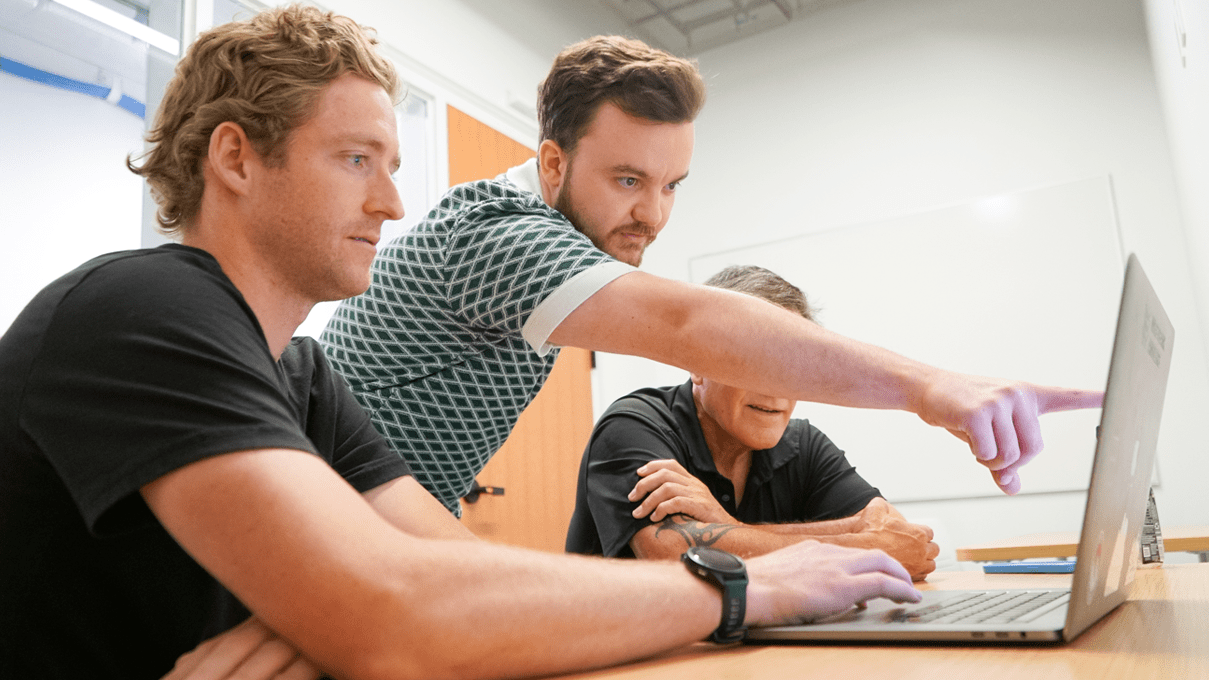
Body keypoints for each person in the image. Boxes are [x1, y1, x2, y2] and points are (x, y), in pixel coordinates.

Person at [0, 7, 924, 680]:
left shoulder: (305, 377)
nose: (390, 202)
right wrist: (747, 587)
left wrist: (369, 611)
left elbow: (450, 578)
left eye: (391, 166)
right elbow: (398, 610)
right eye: (355, 160)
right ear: (236, 157)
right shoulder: (141, 304)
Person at [319, 34, 1102, 517]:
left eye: (671, 185)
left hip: (382, 520)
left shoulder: (540, 245)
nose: (653, 215)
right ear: (553, 163)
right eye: (628, 180)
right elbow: (688, 323)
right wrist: (929, 387)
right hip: (314, 519)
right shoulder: (496, 236)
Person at [566, 265, 940, 581]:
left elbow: (902, 540)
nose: (777, 388)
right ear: (697, 364)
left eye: (794, 365)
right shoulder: (633, 426)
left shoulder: (804, 444)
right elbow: (676, 554)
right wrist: (859, 539)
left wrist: (727, 528)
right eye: (755, 360)